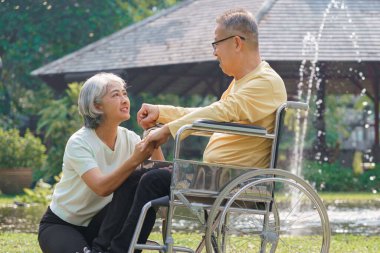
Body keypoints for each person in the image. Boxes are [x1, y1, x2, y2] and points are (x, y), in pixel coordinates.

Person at [96, 8, 287, 253]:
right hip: (216, 176)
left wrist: (168, 130)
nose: (215, 51)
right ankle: (100, 247)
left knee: (151, 180)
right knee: (135, 174)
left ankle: (119, 250)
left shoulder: (265, 82)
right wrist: (162, 113)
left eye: (216, 43)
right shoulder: (244, 82)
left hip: (234, 180)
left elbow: (220, 112)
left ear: (237, 42)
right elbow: (212, 115)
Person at [37, 72, 163, 253]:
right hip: (64, 225)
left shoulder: (130, 139)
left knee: (142, 182)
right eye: (115, 95)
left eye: (124, 93)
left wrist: (154, 139)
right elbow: (101, 187)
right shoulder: (79, 142)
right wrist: (135, 159)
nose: (124, 99)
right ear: (97, 105)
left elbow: (160, 177)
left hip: (103, 224)